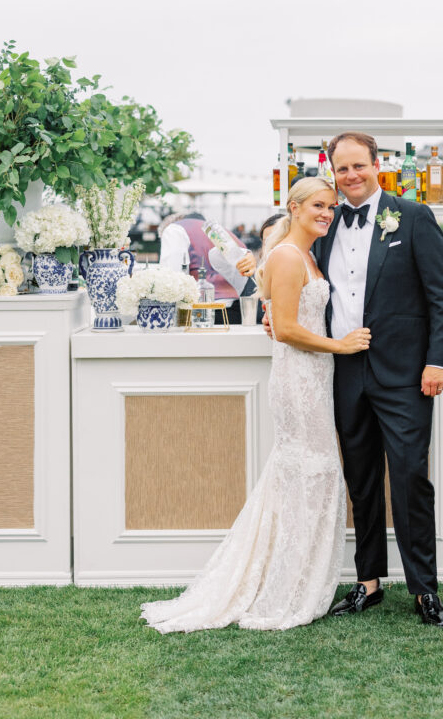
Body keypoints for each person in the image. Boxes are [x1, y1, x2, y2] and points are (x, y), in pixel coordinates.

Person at [140, 178, 371, 632]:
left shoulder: (305, 254)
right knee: (308, 473)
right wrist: (341, 347)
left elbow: (276, 310)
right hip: (298, 379)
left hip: (314, 377)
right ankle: (284, 590)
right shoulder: (286, 255)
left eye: (331, 206)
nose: (327, 213)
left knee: (311, 475)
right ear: (295, 207)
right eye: (318, 206)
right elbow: (284, 329)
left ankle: (298, 581)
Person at [319, 132, 443, 627]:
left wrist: (439, 360)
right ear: (331, 172)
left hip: (406, 375)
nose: (350, 176)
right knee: (361, 480)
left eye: (358, 166)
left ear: (378, 165)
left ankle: (424, 590)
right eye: (341, 169)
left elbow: (442, 294)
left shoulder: (413, 216)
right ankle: (368, 582)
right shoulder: (324, 222)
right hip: (344, 371)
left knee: (409, 478)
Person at [159, 211, 256, 324]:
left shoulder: (174, 230)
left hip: (204, 313)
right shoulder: (225, 232)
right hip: (239, 311)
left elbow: (171, 277)